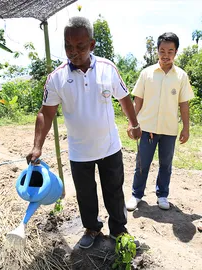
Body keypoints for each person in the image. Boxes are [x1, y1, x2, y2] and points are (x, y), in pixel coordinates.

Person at [26, 16, 141, 249]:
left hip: (110, 147)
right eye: (68, 46)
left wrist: (134, 124)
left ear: (92, 45)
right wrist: (37, 145)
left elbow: (124, 98)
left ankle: (119, 230)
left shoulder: (108, 69)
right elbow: (45, 114)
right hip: (79, 152)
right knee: (85, 195)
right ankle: (92, 229)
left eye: (79, 46)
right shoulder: (56, 78)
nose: (73, 52)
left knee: (114, 191)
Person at [126, 32, 194, 211]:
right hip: (146, 127)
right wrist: (132, 123)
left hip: (169, 129)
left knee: (166, 164)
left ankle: (162, 195)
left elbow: (184, 104)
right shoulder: (147, 73)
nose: (166, 55)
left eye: (170, 51)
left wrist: (186, 128)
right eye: (162, 50)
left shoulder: (181, 76)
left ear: (176, 52)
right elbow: (137, 100)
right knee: (142, 163)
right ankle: (136, 195)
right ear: (157, 51)